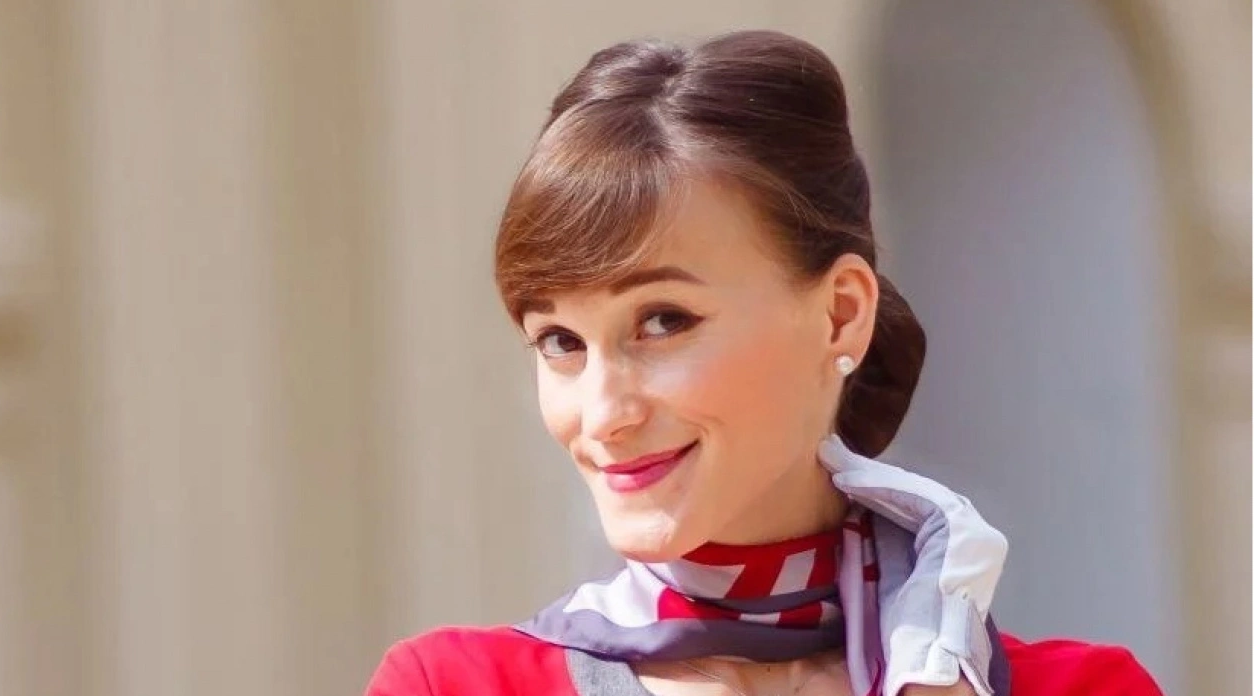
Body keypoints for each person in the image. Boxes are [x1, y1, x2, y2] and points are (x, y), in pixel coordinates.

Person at [365, 30, 1163, 696]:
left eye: (663, 321)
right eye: (560, 342)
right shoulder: (453, 685)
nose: (603, 415)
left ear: (840, 314)